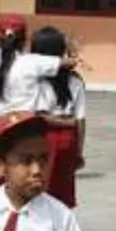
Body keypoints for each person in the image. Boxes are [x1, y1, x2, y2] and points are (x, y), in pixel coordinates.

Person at [31, 27, 87, 209]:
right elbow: (80, 120)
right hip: (68, 140)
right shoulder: (76, 81)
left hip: (42, 137)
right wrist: (78, 151)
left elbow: (38, 116)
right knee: (62, 195)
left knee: (38, 191)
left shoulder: (34, 80)